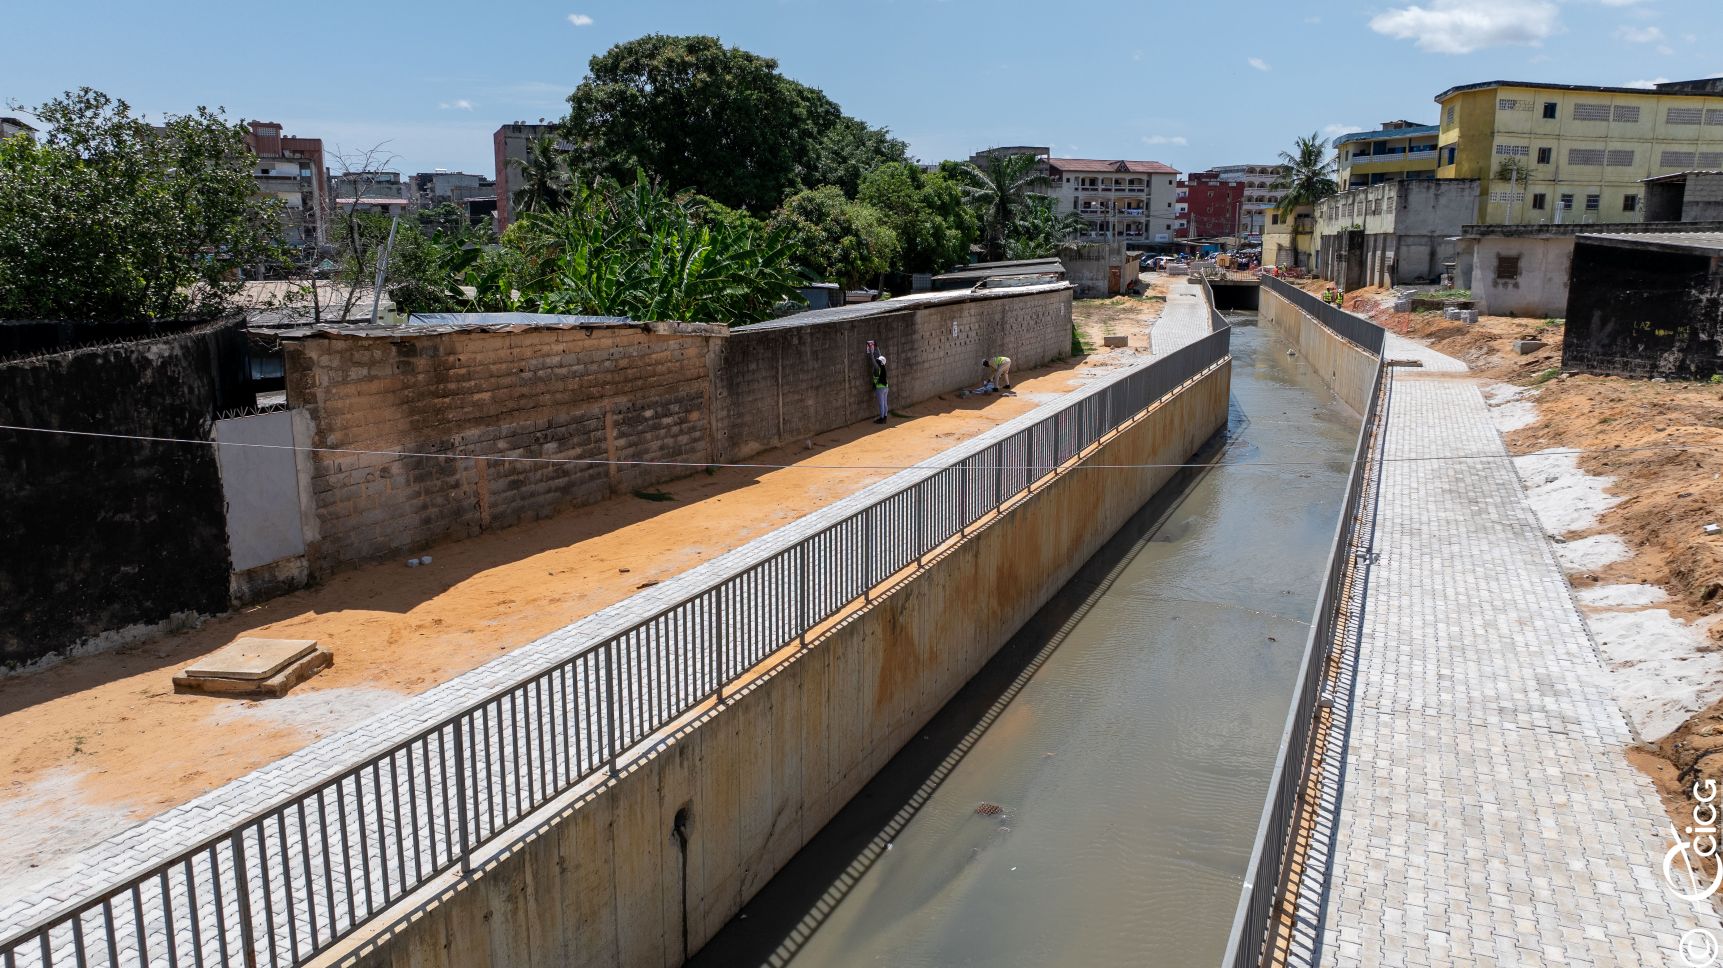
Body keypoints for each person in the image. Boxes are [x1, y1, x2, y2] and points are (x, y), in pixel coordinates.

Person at [867, 341, 889, 424]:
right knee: (885, 403)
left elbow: (872, 359)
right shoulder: (883, 367)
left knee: (881, 404)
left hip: (880, 388)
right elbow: (880, 356)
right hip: (886, 387)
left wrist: (870, 349)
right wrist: (877, 347)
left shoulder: (877, 368)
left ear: (879, 362)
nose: (877, 360)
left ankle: (881, 418)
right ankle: (885, 417)